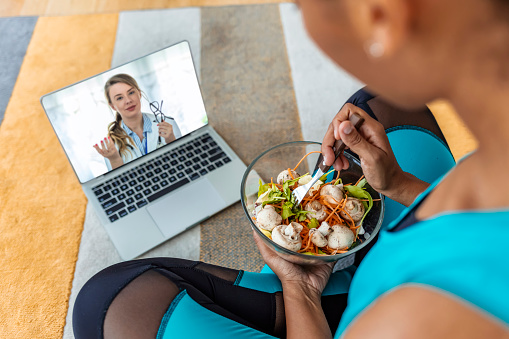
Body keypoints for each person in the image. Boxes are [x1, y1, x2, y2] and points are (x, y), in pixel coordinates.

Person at [73, 0, 509, 338]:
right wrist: (397, 184)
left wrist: (300, 291)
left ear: (381, 17)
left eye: (301, 5)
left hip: (368, 303)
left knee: (106, 302)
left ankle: (310, 301)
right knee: (382, 103)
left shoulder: (410, 321)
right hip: (421, 253)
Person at [93, 74, 182, 170]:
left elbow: (184, 162)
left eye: (131, 93)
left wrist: (171, 141)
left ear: (139, 94)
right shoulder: (111, 145)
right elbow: (121, 183)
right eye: (119, 98)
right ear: (113, 106)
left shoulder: (168, 124)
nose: (128, 100)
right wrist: (115, 160)